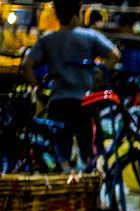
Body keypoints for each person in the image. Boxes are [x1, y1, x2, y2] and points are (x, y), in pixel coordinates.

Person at [21, 0, 120, 166]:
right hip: (84, 102)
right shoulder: (90, 36)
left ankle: (64, 180)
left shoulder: (48, 40)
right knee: (87, 153)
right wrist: (96, 76)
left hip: (58, 103)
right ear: (76, 15)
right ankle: (86, 184)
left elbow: (26, 65)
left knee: (61, 154)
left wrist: (37, 88)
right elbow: (114, 56)